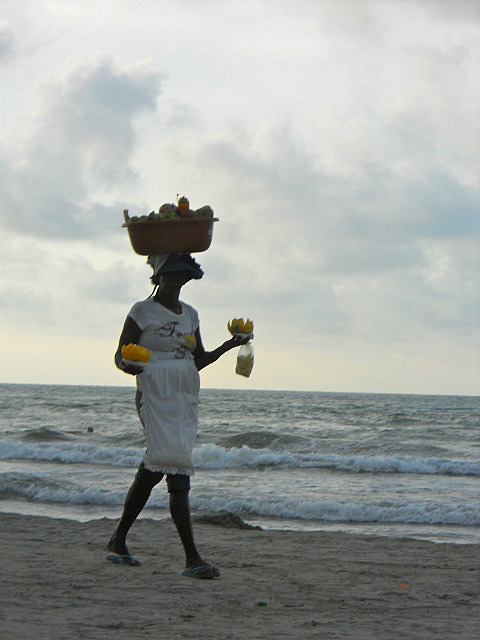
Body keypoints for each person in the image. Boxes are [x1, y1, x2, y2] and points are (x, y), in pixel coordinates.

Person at [106, 253, 249, 579]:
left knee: (159, 466)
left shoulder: (190, 315)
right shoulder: (142, 311)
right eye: (168, 277)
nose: (174, 283)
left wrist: (230, 345)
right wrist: (127, 365)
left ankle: (118, 539)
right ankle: (192, 558)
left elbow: (198, 360)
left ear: (185, 280)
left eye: (180, 278)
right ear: (157, 278)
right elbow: (120, 353)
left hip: (184, 397)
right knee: (173, 464)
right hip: (154, 394)